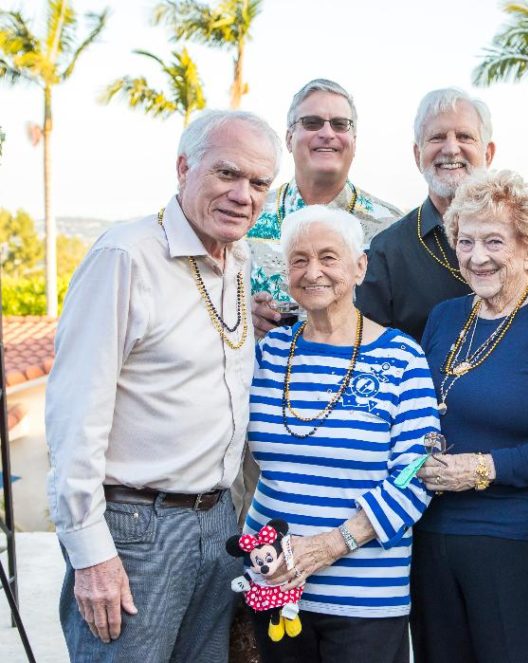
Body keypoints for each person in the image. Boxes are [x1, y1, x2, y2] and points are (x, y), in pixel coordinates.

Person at [45, 110, 280, 660]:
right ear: (182, 168)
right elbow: (75, 412)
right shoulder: (125, 256)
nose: (242, 195)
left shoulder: (238, 264)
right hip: (134, 532)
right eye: (226, 174)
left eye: (259, 183)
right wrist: (90, 553)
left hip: (219, 524)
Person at [411, 169, 528, 662]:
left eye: (495, 241)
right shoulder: (445, 317)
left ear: (527, 247)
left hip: (522, 540)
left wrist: (483, 469)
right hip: (434, 537)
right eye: (466, 241)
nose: (478, 256)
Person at [242, 205, 438, 662]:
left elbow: (416, 472)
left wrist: (332, 545)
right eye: (299, 260)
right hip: (274, 588)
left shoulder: (401, 359)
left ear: (360, 265)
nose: (313, 273)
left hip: (365, 599)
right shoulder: (270, 352)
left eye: (329, 257)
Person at [250, 78, 402, 324]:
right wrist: (244, 316)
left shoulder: (391, 227)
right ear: (289, 138)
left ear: (354, 141)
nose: (327, 133)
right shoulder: (248, 215)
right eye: (312, 123)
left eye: (340, 125)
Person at [356, 87, 495, 341]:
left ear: (488, 153)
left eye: (464, 136)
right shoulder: (388, 251)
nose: (451, 149)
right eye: (437, 137)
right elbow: (368, 350)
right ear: (417, 155)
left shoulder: (521, 239)